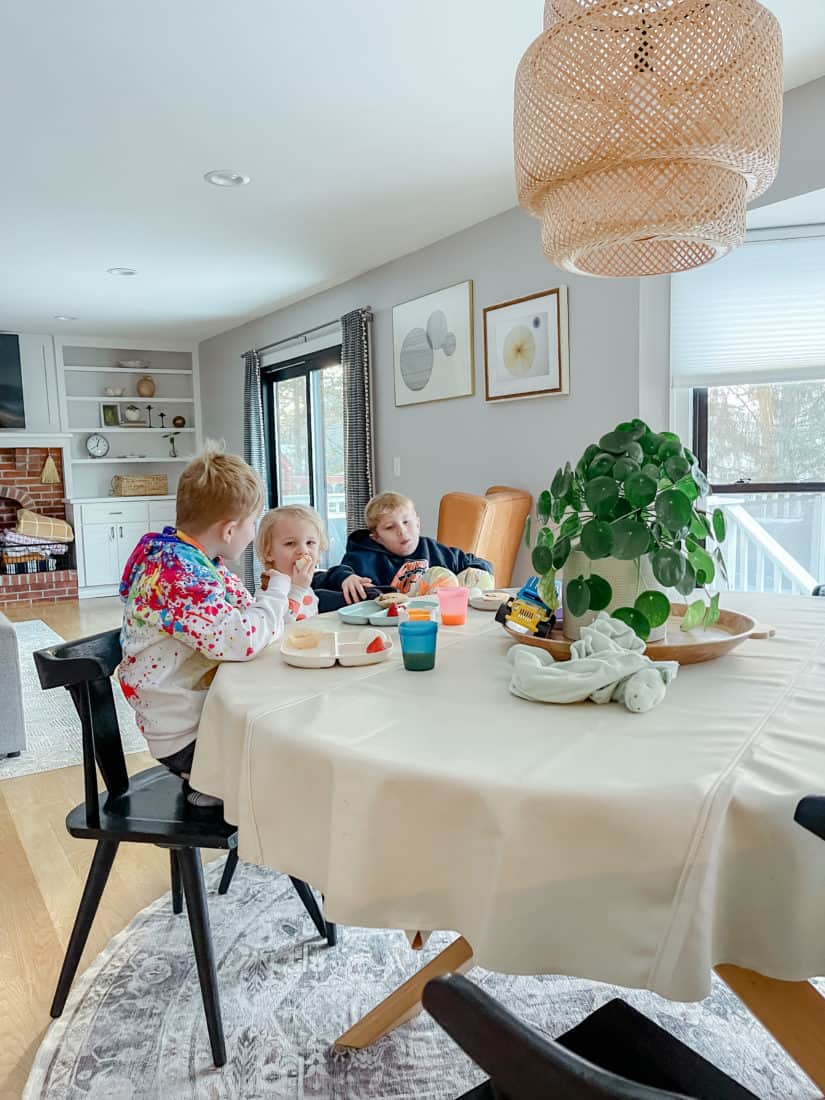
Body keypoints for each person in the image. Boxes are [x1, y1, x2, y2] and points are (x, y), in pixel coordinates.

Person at [118, 443, 317, 808]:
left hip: (209, 713)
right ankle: (217, 783)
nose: (253, 532)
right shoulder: (177, 575)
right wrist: (280, 590)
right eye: (253, 523)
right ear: (229, 530)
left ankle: (222, 786)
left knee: (302, 740)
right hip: (187, 735)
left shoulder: (201, 564)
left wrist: (294, 590)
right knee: (301, 773)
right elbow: (242, 640)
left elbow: (262, 628)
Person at [323, 491, 493, 604]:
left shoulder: (434, 550)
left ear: (418, 524)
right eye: (390, 527)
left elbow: (478, 563)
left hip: (440, 623)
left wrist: (474, 579)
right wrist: (346, 578)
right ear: (376, 537)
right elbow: (335, 574)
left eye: (406, 522)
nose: (402, 531)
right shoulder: (363, 557)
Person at [254, 504, 325, 620]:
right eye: (290, 543)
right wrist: (298, 589)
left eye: (310, 543)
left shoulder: (306, 585)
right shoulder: (270, 590)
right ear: (268, 553)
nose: (303, 551)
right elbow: (279, 625)